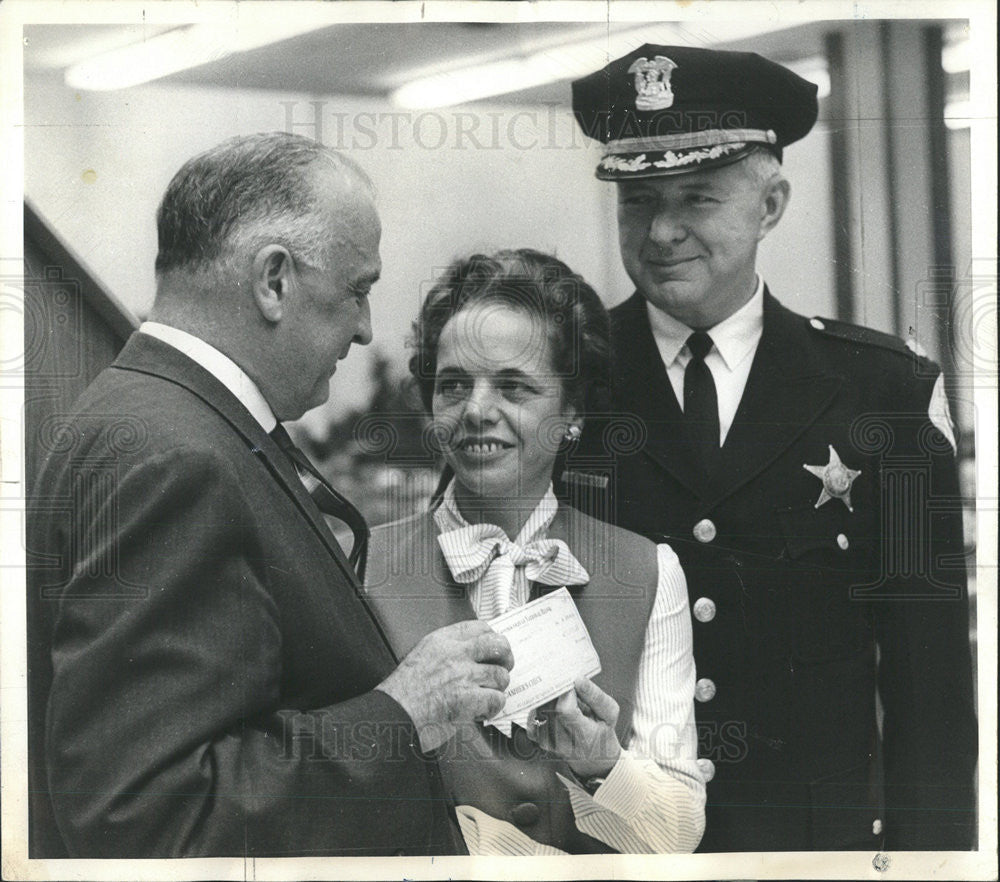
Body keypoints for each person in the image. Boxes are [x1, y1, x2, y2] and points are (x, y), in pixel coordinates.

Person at [25, 132, 516, 857]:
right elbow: (157, 816)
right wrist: (402, 713)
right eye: (357, 290)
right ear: (274, 280)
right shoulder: (178, 458)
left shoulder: (153, 414)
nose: (365, 330)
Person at [562, 45, 978, 851]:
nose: (663, 231)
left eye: (698, 198)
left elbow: (930, 691)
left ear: (772, 204)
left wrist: (933, 864)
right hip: (612, 843)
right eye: (638, 201)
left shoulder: (881, 394)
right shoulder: (564, 379)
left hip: (812, 848)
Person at [364, 249, 706, 855]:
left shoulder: (648, 572)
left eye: (514, 386)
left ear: (573, 410)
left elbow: (678, 836)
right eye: (453, 386)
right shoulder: (359, 567)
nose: (475, 410)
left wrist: (603, 763)